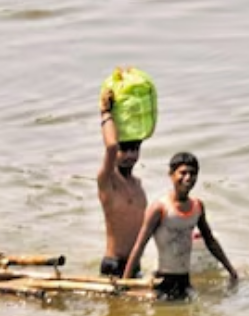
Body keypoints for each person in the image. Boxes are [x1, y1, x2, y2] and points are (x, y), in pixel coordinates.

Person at [121, 152, 239, 299]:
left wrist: (231, 270)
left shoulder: (197, 206)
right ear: (171, 174)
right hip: (163, 281)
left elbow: (210, 241)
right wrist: (124, 283)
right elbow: (139, 245)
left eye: (193, 173)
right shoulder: (160, 208)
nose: (188, 178)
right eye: (183, 173)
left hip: (185, 281)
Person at [98, 87, 148, 278]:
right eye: (124, 150)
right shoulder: (108, 181)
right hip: (114, 264)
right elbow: (111, 146)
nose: (130, 155)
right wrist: (105, 112)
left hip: (134, 265)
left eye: (134, 149)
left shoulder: (138, 185)